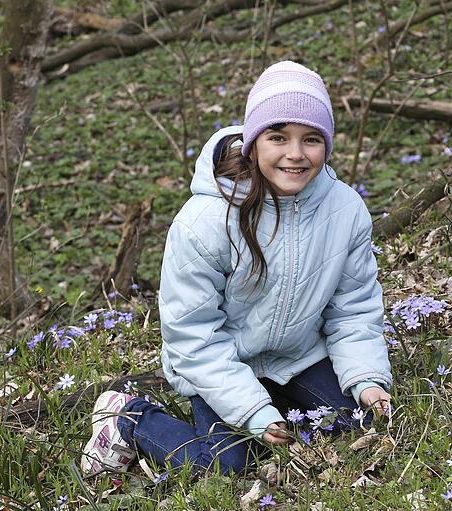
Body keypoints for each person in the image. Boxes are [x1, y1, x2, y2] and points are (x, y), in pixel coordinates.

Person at [81, 61, 393, 476]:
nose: (295, 154)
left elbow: (352, 310)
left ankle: (285, 404)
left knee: (359, 427)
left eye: (311, 139)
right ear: (253, 141)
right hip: (221, 363)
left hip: (296, 356)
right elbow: (195, 338)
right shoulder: (205, 221)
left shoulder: (345, 209)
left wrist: (367, 380)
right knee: (230, 465)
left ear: (327, 145)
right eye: (278, 137)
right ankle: (128, 418)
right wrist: (253, 412)